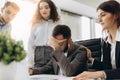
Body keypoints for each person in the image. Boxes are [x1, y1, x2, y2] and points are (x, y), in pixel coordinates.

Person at [73, 0, 120, 80]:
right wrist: (91, 60)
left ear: (115, 15)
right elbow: (108, 67)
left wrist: (100, 74)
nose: (99, 20)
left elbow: (107, 72)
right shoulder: (106, 42)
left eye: (103, 15)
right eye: (98, 16)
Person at [28, 0, 61, 75]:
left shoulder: (57, 23)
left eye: (46, 7)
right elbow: (30, 44)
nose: (43, 10)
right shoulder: (35, 23)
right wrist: (29, 65)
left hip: (52, 54)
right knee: (36, 76)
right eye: (41, 8)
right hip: (38, 55)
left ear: (51, 9)